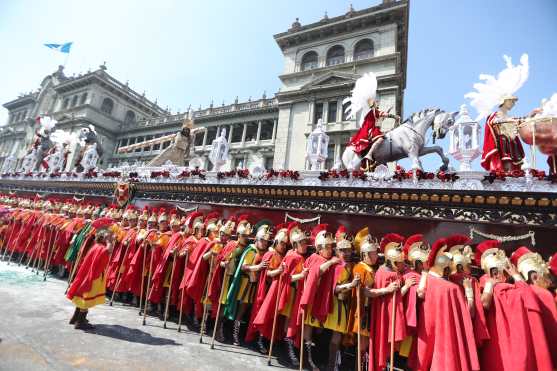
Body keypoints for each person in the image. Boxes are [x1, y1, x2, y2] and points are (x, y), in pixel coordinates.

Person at [477, 240, 553, 371]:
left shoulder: (481, 288)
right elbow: (530, 300)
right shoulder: (512, 292)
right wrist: (517, 277)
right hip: (515, 353)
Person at [414, 237, 480, 371]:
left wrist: (426, 274)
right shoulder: (451, 289)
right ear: (446, 270)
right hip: (446, 336)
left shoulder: (429, 279)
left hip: (427, 334)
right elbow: (469, 314)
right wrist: (469, 292)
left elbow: (420, 292)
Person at [224, 220, 271, 348]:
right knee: (239, 309)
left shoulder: (264, 252)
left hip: (253, 286)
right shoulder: (251, 250)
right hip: (244, 285)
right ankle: (234, 334)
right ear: (256, 239)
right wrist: (259, 267)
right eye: (263, 240)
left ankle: (239, 334)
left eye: (267, 241)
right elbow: (244, 267)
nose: (265, 243)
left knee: (246, 311)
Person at [66, 217, 116, 330]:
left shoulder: (96, 246)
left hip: (89, 275)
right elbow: (108, 251)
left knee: (82, 297)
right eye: (109, 237)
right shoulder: (100, 248)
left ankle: (75, 317)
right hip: (93, 276)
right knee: (86, 299)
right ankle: (80, 322)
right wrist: (109, 241)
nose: (113, 238)